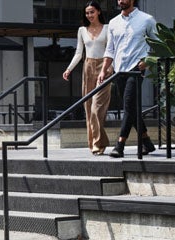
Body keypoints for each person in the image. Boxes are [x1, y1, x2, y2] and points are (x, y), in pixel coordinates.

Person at [97, 0, 158, 158]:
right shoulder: (113, 23)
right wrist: (104, 70)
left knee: (129, 106)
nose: (120, 1)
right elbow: (110, 49)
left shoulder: (147, 19)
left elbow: (159, 44)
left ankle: (120, 145)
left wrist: (147, 61)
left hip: (136, 69)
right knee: (132, 108)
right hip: (119, 71)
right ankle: (147, 142)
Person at [63, 1, 112, 155]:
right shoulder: (82, 30)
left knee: (96, 109)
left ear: (98, 12)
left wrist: (111, 68)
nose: (89, 15)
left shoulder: (108, 28)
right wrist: (69, 69)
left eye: (92, 12)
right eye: (87, 13)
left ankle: (99, 143)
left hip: (104, 68)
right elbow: (79, 52)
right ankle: (94, 144)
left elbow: (111, 50)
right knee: (88, 108)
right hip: (88, 67)